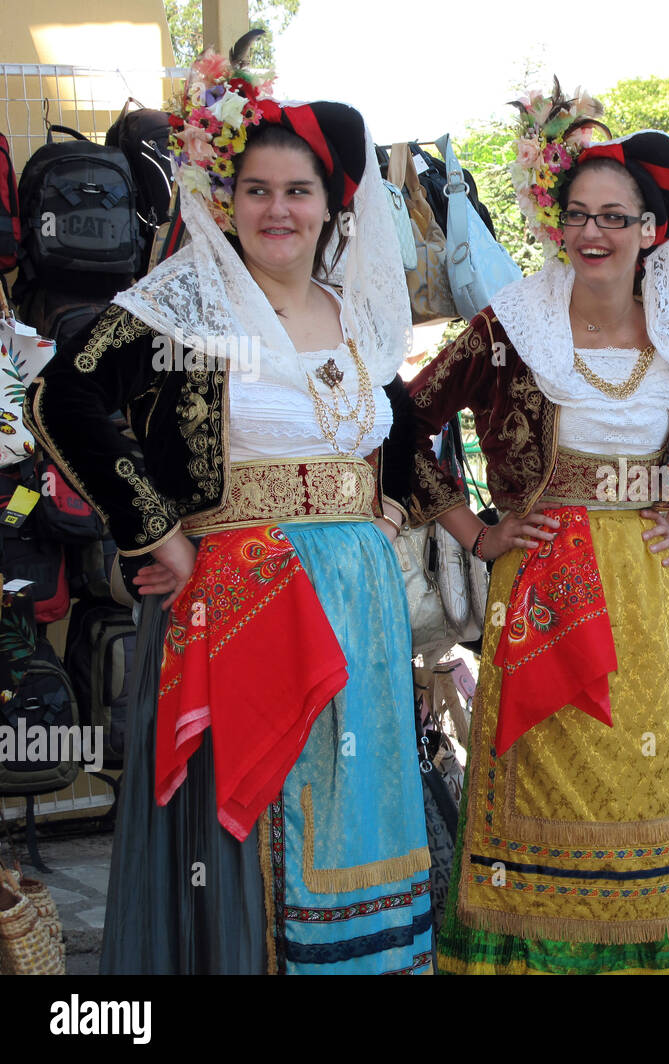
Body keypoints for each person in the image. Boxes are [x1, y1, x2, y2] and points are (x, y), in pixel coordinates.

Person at [24, 50, 432, 974]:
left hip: (357, 602)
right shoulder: (190, 306)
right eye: (256, 189)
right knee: (258, 821)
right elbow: (62, 399)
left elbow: (399, 420)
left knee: (350, 805)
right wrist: (154, 529)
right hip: (238, 600)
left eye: (297, 190)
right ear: (226, 196)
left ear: (333, 204)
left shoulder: (355, 314)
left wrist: (389, 509)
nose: (277, 210)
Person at [405, 88, 669, 974]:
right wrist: (475, 532)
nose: (594, 233)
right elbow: (402, 425)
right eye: (578, 215)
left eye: (615, 217)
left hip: (643, 596)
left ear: (649, 230)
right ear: (556, 223)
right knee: (543, 792)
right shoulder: (510, 328)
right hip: (542, 588)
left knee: (642, 786)